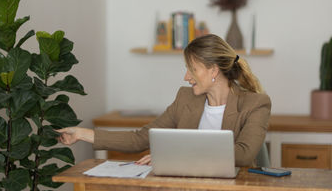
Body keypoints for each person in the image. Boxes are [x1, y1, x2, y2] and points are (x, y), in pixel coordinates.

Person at [57, 34, 271, 167]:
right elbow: (140, 139)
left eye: (192, 69)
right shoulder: (185, 98)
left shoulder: (255, 104)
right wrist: (81, 134)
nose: (186, 77)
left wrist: (173, 155)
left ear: (213, 70)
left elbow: (242, 155)